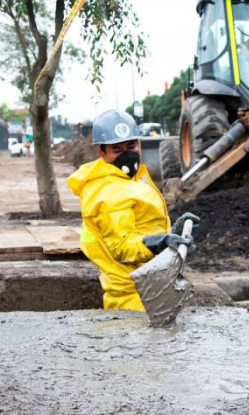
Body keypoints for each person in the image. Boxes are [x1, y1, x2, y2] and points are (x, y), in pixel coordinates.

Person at [67, 109, 200, 312]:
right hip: (134, 299)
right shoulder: (109, 192)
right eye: (117, 150)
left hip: (150, 288)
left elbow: (141, 227)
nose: (128, 154)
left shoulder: (129, 178)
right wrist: (161, 243)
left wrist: (171, 232)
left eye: (132, 145)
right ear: (103, 153)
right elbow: (122, 247)